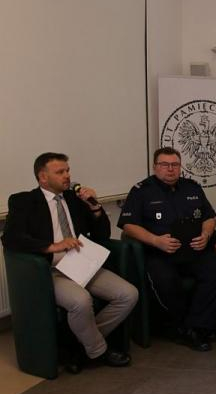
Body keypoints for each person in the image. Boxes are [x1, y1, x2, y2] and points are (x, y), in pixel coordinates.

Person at [2, 152, 138, 373]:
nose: (67, 176)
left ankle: (77, 345)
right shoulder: (23, 201)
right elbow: (11, 238)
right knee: (81, 301)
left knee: (128, 294)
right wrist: (51, 246)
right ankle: (98, 351)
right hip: (52, 269)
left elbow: (102, 233)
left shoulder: (75, 200)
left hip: (82, 264)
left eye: (68, 171)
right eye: (60, 172)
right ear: (43, 177)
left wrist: (94, 206)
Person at [118, 147, 216, 352]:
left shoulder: (192, 187)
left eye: (175, 165)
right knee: (166, 280)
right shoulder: (142, 190)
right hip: (160, 252)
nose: (170, 169)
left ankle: (195, 326)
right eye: (165, 165)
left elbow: (209, 217)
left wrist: (206, 235)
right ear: (155, 167)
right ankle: (186, 327)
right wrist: (155, 240)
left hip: (194, 250)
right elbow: (128, 225)